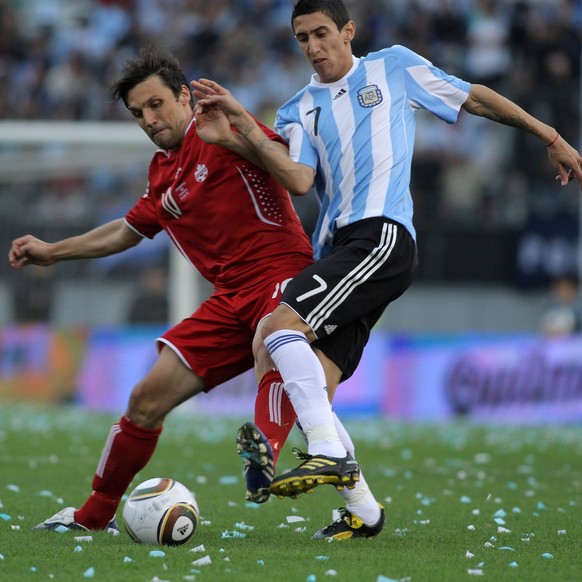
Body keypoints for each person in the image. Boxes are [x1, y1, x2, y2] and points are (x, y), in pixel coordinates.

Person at [191, 0, 582, 539]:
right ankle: (363, 510)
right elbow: (299, 178)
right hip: (341, 250)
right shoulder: (296, 109)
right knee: (304, 380)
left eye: (322, 33)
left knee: (276, 328)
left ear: (348, 31)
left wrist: (550, 135)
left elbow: (475, 98)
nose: (313, 46)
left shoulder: (391, 67)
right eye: (302, 38)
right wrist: (236, 132)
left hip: (382, 235)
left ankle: (319, 451)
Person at [8, 44, 320, 533]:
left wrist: (242, 131)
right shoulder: (163, 175)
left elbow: (288, 165)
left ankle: (263, 453)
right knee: (144, 400)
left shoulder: (222, 126)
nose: (148, 119)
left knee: (273, 339)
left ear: (183, 96)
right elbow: (124, 231)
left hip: (282, 274)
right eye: (138, 113)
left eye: (156, 105)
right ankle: (93, 517)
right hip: (228, 298)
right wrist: (52, 251)